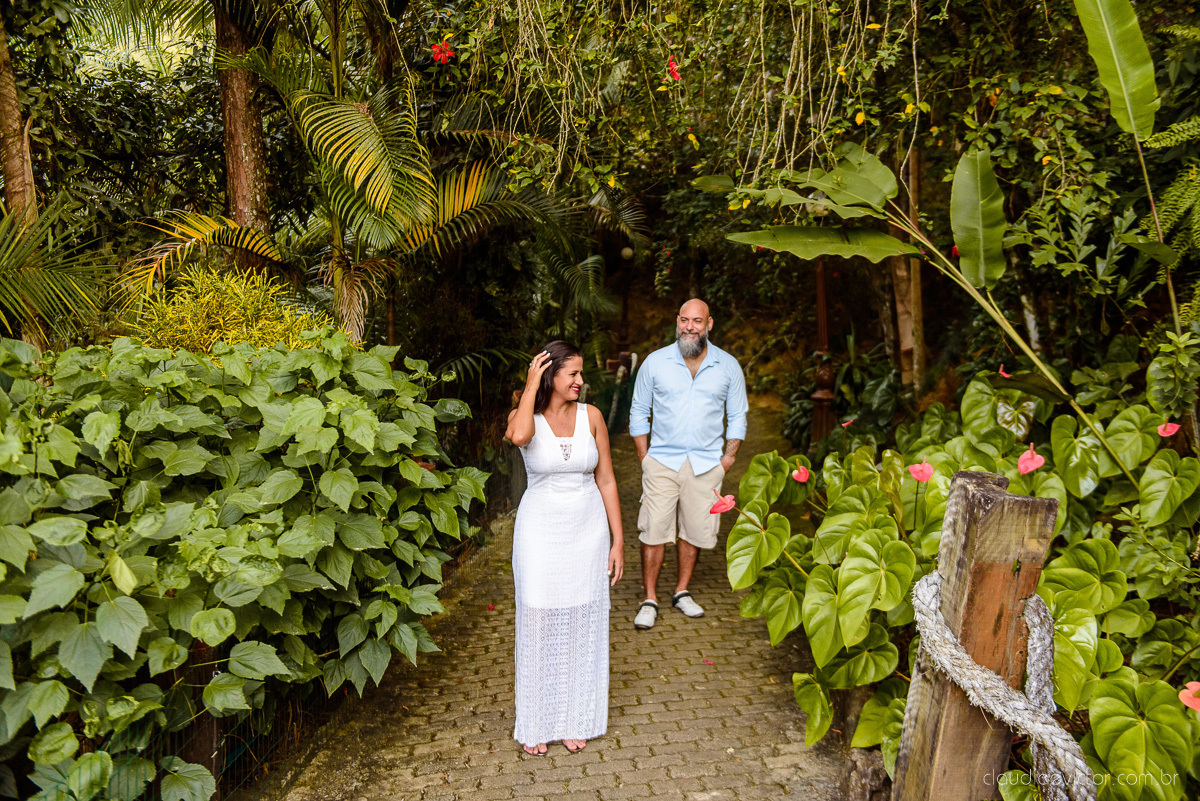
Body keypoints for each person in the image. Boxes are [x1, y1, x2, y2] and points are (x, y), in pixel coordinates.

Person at [505, 341, 625, 757]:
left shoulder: (591, 417)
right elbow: (518, 436)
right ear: (549, 376)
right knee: (537, 619)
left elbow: (607, 480)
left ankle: (576, 718)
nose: (580, 381)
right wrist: (529, 385)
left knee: (581, 618)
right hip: (540, 531)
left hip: (587, 531)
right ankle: (536, 721)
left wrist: (618, 540)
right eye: (572, 373)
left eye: (580, 373)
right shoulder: (525, 418)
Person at [628, 299, 748, 630]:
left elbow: (737, 415)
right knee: (653, 529)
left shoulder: (728, 366)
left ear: (709, 325)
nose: (689, 326)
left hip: (708, 464)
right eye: (684, 320)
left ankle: (681, 591)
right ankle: (649, 598)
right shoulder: (655, 363)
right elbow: (638, 411)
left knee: (694, 529)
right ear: (677, 322)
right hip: (661, 462)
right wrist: (644, 457)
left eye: (697, 320)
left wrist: (728, 459)